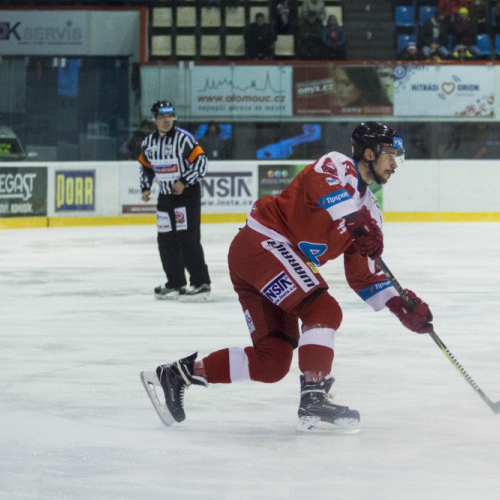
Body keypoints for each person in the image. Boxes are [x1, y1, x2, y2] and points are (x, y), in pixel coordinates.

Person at [141, 122, 434, 433]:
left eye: (398, 159)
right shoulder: (337, 165)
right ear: (368, 152)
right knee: (323, 310)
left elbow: (364, 276)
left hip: (265, 263)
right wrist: (352, 219)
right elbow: (319, 183)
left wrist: (400, 305)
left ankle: (178, 374)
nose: (394, 165)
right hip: (262, 244)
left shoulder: (370, 213)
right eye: (390, 156)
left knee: (272, 363)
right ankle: (314, 396)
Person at [139, 101, 212, 301]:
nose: (165, 120)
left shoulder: (184, 139)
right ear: (155, 119)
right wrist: (145, 188)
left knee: (187, 239)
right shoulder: (149, 143)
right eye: (161, 117)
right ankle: (175, 282)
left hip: (186, 196)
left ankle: (201, 283)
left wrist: (184, 181)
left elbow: (201, 163)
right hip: (165, 198)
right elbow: (145, 167)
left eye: (169, 116)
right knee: (166, 241)